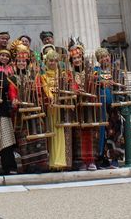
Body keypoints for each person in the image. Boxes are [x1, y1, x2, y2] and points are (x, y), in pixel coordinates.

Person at [13, 45, 49, 173]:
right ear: (15, 63)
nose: (21, 63)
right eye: (19, 61)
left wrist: (36, 92)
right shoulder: (12, 78)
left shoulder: (35, 76)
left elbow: (40, 91)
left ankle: (41, 163)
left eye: (24, 61)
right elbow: (12, 93)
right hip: (21, 112)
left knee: (38, 136)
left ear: (27, 62)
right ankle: (27, 164)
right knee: (24, 137)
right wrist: (15, 100)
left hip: (34, 109)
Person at [38, 48, 68, 170]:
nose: (53, 63)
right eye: (50, 60)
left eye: (55, 60)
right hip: (50, 106)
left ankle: (60, 161)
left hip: (60, 106)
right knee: (51, 132)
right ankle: (52, 162)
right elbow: (45, 89)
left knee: (60, 132)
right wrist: (51, 98)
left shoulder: (62, 75)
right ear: (46, 61)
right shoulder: (43, 76)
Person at [69, 38, 96, 171]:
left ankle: (91, 160)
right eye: (74, 58)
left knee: (89, 133)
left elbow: (93, 86)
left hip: (88, 106)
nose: (77, 60)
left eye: (79, 57)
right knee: (77, 134)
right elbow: (69, 87)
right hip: (75, 107)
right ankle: (80, 161)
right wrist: (75, 91)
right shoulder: (69, 74)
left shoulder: (90, 73)